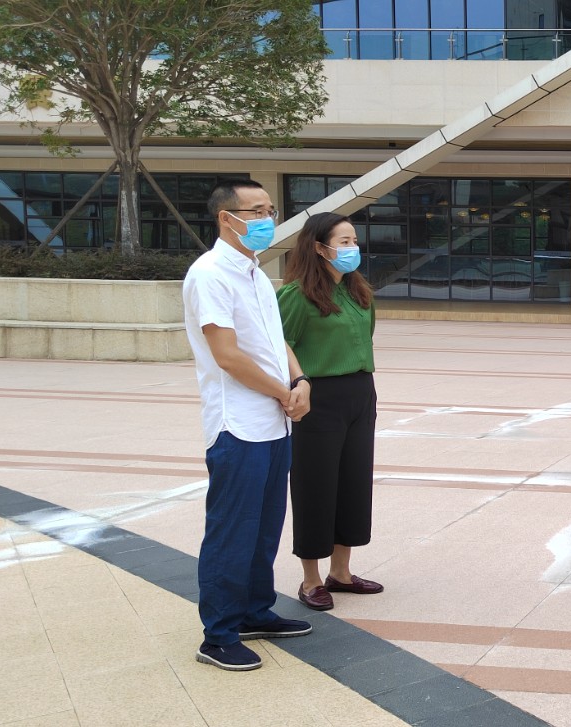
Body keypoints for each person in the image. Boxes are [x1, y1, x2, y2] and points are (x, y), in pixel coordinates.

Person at [182, 179, 313, 671]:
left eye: (269, 210)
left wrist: (300, 380)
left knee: (264, 527)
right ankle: (218, 635)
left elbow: (276, 341)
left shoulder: (257, 273)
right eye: (255, 211)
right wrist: (283, 392)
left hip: (274, 423)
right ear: (226, 218)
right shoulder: (210, 274)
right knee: (231, 531)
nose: (267, 219)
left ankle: (256, 611)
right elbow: (228, 356)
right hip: (237, 426)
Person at [278, 212, 383, 612]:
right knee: (315, 486)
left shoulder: (359, 292)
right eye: (343, 242)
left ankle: (342, 572)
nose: (352, 248)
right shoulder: (296, 295)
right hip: (318, 397)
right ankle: (311, 579)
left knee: (353, 483)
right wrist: (298, 383)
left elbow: (365, 339)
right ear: (319, 248)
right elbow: (279, 343)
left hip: (360, 392)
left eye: (354, 241)